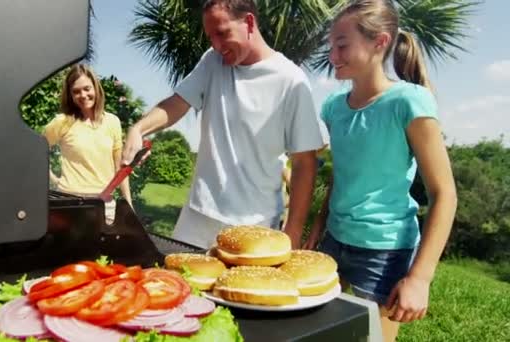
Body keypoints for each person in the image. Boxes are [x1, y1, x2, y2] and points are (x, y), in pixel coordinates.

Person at [303, 1, 457, 341]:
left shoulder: (408, 102)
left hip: (384, 252)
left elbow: (444, 193)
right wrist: (319, 224)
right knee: (319, 333)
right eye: (332, 46)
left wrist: (419, 278)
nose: (333, 55)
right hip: (334, 240)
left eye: (342, 45)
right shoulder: (332, 108)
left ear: (380, 42)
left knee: (373, 338)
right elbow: (342, 174)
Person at [122, 0, 326, 249]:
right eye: (210, 37)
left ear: (249, 22)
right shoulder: (212, 61)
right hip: (197, 215)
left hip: (255, 226)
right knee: (175, 284)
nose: (216, 46)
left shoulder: (291, 81)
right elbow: (177, 103)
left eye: (222, 33)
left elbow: (305, 162)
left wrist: (293, 231)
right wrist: (138, 128)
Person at [44, 64, 132, 224]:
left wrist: (129, 206)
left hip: (105, 206)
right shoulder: (62, 122)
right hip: (70, 205)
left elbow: (120, 168)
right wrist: (53, 179)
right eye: (76, 91)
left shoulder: (112, 122)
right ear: (70, 95)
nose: (83, 95)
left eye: (87, 89)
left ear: (96, 89)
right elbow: (36, 152)